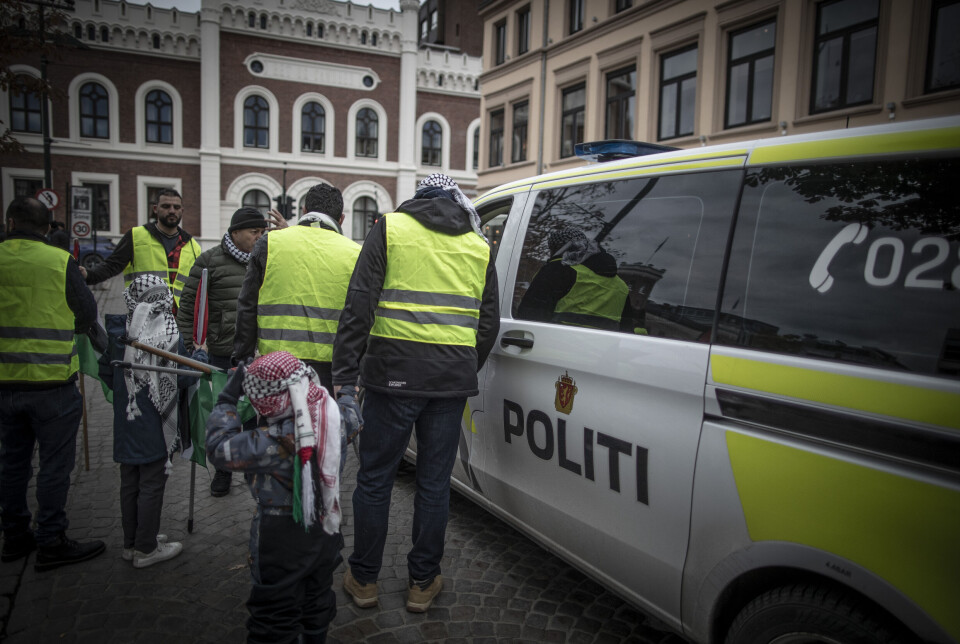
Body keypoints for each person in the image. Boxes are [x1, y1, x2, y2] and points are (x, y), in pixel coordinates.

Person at [332, 173, 500, 612]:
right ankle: (423, 583)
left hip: (392, 377)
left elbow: (359, 305)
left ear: (419, 196)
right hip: (450, 384)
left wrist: (345, 377)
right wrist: (462, 366)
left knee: (374, 479)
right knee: (434, 483)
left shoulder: (390, 228)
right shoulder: (479, 244)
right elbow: (487, 324)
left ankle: (364, 580)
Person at [206, 351, 342, 644]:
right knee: (316, 601)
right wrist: (351, 393)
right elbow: (353, 416)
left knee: (275, 616)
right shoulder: (329, 415)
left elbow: (219, 448)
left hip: (280, 539)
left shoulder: (273, 440)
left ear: (266, 401)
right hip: (324, 531)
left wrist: (226, 400)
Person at [0, 196, 106, 571]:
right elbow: (86, 314)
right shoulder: (58, 261)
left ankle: (13, 537)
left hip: (4, 384)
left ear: (10, 223)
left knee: (11, 464)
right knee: (54, 467)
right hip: (53, 385)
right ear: (47, 228)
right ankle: (51, 540)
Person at [99, 275, 207, 567]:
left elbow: (106, 371)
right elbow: (183, 379)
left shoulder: (119, 331)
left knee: (129, 481)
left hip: (127, 419)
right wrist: (198, 355)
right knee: (151, 482)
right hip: (155, 423)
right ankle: (146, 549)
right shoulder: (168, 334)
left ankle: (132, 542)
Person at [176, 206, 281, 497]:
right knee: (225, 416)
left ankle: (251, 470)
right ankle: (222, 471)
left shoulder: (270, 258)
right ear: (235, 232)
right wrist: (191, 347)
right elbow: (188, 308)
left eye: (263, 232)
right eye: (254, 232)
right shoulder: (209, 261)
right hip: (222, 354)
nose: (260, 237)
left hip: (260, 354)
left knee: (255, 418)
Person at [234, 184, 360, 395]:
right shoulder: (356, 253)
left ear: (303, 211)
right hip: (332, 370)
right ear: (341, 219)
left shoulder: (269, 243)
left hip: (275, 365)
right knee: (324, 424)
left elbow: (247, 304)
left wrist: (242, 358)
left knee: (275, 426)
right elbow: (361, 315)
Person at [78, 188, 201, 309]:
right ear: (155, 209)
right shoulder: (136, 236)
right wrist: (89, 275)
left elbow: (198, 285)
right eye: (166, 206)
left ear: (182, 210)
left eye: (176, 207)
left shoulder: (192, 245)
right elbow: (112, 265)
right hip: (144, 316)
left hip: (179, 319)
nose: (172, 211)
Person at [517, 226, 640, 332]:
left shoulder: (558, 270)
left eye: (552, 250)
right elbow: (627, 330)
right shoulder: (621, 287)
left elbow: (528, 317)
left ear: (561, 249)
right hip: (599, 357)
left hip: (554, 350)